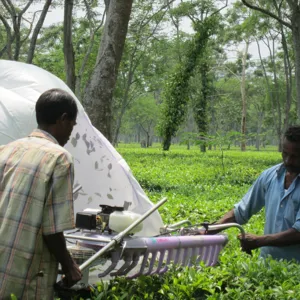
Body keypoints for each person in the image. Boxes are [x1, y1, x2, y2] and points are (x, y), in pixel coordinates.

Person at [0, 88, 82, 299]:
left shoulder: (7, 150)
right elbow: (52, 229)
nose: (70, 134)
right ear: (63, 119)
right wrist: (69, 264)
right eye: (71, 126)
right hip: (27, 271)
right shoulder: (59, 158)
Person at [212, 125, 300, 262]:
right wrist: (210, 230)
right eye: (285, 153)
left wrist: (259, 241)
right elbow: (241, 211)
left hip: (294, 273)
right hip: (266, 265)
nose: (288, 160)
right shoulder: (269, 176)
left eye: (294, 156)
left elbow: (298, 233)